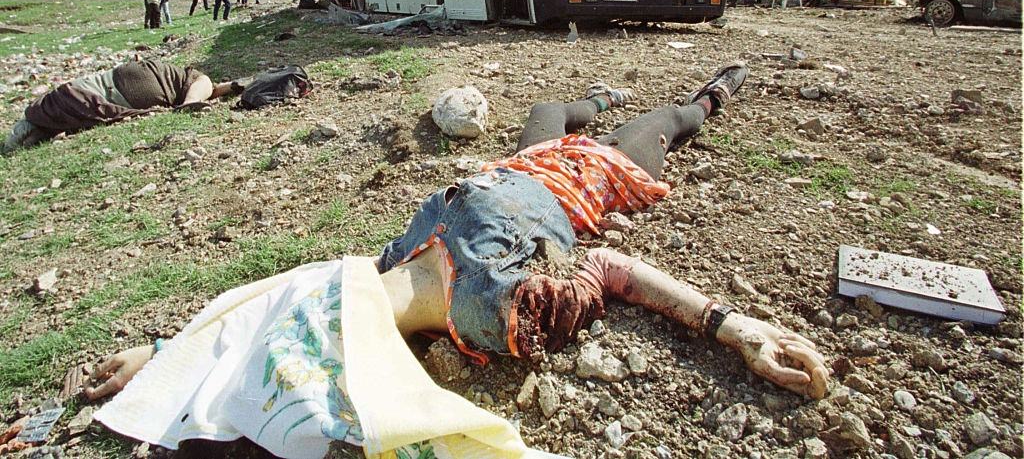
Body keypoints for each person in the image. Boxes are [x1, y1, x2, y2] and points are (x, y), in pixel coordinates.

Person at [67, 63, 829, 457]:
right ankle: (712, 94)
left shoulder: (382, 268)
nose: (321, 289)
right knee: (661, 123)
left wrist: (173, 354)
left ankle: (597, 96)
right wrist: (730, 324)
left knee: (554, 114)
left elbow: (270, 307)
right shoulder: (498, 310)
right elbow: (615, 269)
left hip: (520, 162)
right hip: (585, 179)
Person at [2, 60, 241, 154]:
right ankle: (22, 135)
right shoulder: (197, 79)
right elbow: (211, 87)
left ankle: (23, 136)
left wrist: (233, 86)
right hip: (99, 89)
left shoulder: (195, 82)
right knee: (52, 112)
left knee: (55, 115)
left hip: (102, 91)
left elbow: (213, 88)